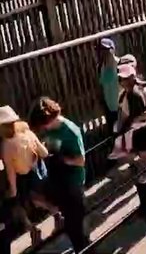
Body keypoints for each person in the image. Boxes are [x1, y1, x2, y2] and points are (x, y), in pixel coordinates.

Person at [28, 98, 89, 253]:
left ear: (50, 118)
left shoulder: (70, 131)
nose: (43, 129)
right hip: (57, 179)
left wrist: (63, 159)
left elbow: (81, 161)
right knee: (35, 197)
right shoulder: (48, 129)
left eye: (43, 125)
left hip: (72, 182)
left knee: (75, 230)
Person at [1, 105, 49, 246]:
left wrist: (13, 192)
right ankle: (57, 214)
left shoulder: (7, 145)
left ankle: (33, 230)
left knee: (18, 208)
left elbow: (10, 172)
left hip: (23, 179)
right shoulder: (27, 133)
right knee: (39, 200)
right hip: (38, 173)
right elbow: (44, 152)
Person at [116, 62, 146, 190]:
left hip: (144, 132)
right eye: (121, 79)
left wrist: (137, 118)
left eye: (126, 78)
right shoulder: (123, 95)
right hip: (132, 134)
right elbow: (123, 114)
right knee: (138, 164)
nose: (123, 81)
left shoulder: (143, 90)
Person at [98, 38, 120, 142]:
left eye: (107, 50)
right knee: (114, 132)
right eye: (102, 50)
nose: (105, 53)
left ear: (113, 50)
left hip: (120, 105)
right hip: (109, 106)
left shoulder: (120, 64)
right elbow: (102, 85)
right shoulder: (101, 67)